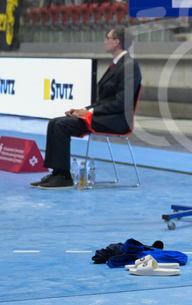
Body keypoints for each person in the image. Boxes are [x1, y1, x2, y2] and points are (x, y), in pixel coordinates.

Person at [32, 28, 142, 189]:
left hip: (116, 120)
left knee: (62, 126)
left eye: (107, 38)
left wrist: (90, 112)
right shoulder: (117, 65)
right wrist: (82, 110)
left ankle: (64, 176)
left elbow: (121, 102)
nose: (105, 41)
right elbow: (104, 100)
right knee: (54, 122)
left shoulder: (129, 66)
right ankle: (56, 173)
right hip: (103, 115)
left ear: (116, 41)